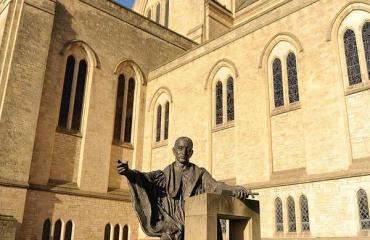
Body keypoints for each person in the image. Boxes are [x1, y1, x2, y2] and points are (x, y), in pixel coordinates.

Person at [117, 136, 255, 240]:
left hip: (195, 220)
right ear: (174, 151)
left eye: (187, 148)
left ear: (192, 152)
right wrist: (128, 172)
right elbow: (145, 178)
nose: (184, 151)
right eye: (180, 148)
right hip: (173, 223)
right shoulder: (164, 174)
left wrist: (235, 190)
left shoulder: (199, 173)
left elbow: (215, 186)